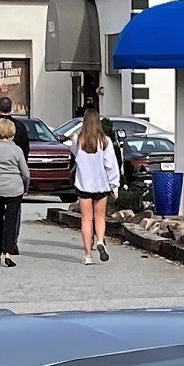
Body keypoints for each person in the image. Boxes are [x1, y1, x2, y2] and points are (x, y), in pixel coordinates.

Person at [70, 106, 120, 265]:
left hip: (84, 184)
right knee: (100, 217)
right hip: (101, 185)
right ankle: (99, 240)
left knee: (86, 219)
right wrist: (114, 185)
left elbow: (73, 153)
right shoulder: (105, 141)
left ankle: (87, 255)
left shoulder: (77, 140)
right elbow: (111, 165)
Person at [0, 117, 28, 266]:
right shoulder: (17, 150)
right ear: (12, 132)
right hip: (14, 189)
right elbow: (26, 173)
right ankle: (8, 253)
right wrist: (25, 187)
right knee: (11, 221)